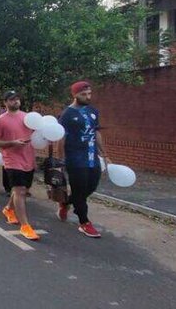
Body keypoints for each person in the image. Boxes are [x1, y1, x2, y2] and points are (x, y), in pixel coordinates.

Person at [56, 81, 110, 238]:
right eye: (83, 94)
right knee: (79, 190)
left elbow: (96, 133)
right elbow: (61, 139)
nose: (88, 97)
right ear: (74, 95)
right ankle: (84, 222)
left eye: (89, 94)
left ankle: (65, 203)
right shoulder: (67, 114)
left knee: (91, 187)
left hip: (92, 158)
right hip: (75, 160)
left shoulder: (93, 111)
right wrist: (61, 161)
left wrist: (105, 154)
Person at [0, 91, 40, 241]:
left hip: (28, 158)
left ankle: (8, 209)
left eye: (17, 99)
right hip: (12, 159)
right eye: (12, 99)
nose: (15, 101)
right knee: (20, 190)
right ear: (5, 102)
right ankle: (25, 226)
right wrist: (12, 143)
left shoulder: (28, 118)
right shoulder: (0, 121)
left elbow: (37, 137)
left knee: (24, 189)